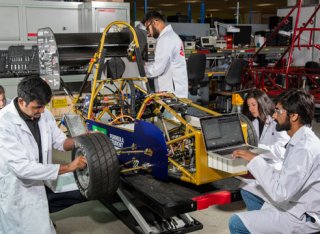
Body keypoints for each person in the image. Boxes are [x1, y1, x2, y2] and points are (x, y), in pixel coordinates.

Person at [0, 76, 87, 234]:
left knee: (41, 224)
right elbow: (23, 168)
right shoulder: (4, 123)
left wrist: (83, 140)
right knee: (21, 227)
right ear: (21, 101)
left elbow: (60, 142)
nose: (41, 111)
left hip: (42, 179)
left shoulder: (43, 113)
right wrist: (69, 167)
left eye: (43, 106)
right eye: (37, 107)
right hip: (18, 188)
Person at [229, 89, 320, 234]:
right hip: (296, 200)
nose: (275, 115)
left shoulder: (304, 148)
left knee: (236, 223)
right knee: (249, 189)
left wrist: (254, 159)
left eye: (278, 111)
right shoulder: (301, 139)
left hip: (304, 215)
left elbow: (281, 193)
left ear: (294, 116)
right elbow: (287, 176)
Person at [240, 89, 290, 210]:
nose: (251, 109)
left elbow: (280, 151)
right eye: (248, 105)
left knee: (249, 188)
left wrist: (255, 148)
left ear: (262, 103)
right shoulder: (255, 122)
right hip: (262, 163)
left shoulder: (276, 121)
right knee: (244, 186)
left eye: (253, 105)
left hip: (276, 167)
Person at [142, 11, 188, 98]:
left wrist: (141, 70)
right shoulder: (171, 36)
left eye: (148, 28)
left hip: (172, 93)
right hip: (176, 91)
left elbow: (157, 69)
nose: (148, 33)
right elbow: (164, 63)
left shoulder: (166, 39)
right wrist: (148, 65)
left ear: (155, 23)